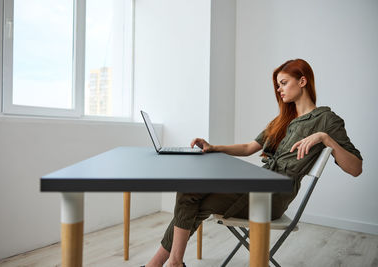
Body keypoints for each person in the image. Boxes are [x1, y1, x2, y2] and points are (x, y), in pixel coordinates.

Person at [143, 59, 363, 267]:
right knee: (190, 192)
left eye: (284, 83)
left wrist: (325, 138)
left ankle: (166, 263)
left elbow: (355, 168)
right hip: (256, 185)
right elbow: (250, 148)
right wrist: (214, 147)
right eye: (278, 85)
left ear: (302, 81)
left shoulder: (326, 119)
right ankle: (171, 263)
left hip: (272, 198)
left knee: (190, 194)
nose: (279, 90)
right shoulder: (283, 120)